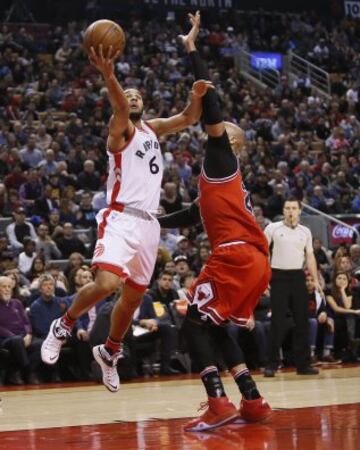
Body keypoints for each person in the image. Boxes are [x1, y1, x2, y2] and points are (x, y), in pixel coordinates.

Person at [41, 41, 212, 392]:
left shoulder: (152, 129)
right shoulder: (120, 129)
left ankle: (110, 350)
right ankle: (63, 324)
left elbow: (190, 118)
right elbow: (118, 103)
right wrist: (109, 75)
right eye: (128, 95)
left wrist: (196, 94)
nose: (132, 98)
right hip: (120, 217)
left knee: (133, 297)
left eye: (137, 95)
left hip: (150, 223)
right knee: (107, 284)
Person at [157, 12, 272, 432]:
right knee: (215, 323)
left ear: (231, 141)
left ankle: (217, 401)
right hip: (254, 262)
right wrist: (155, 220)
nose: (210, 134)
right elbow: (192, 214)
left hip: (236, 258)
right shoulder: (216, 185)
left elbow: (212, 102)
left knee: (192, 320)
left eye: (221, 132)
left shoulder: (223, 157)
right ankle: (253, 399)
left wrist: (192, 50)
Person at [263, 199, 322, 377]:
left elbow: (310, 256)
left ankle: (303, 365)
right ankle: (272, 364)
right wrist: (264, 277)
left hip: (297, 276)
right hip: (277, 276)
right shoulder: (272, 228)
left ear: (299, 211)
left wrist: (315, 279)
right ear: (283, 210)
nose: (290, 211)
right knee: (277, 322)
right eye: (287, 208)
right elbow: (263, 253)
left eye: (294, 208)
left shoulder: (306, 231)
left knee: (302, 321)